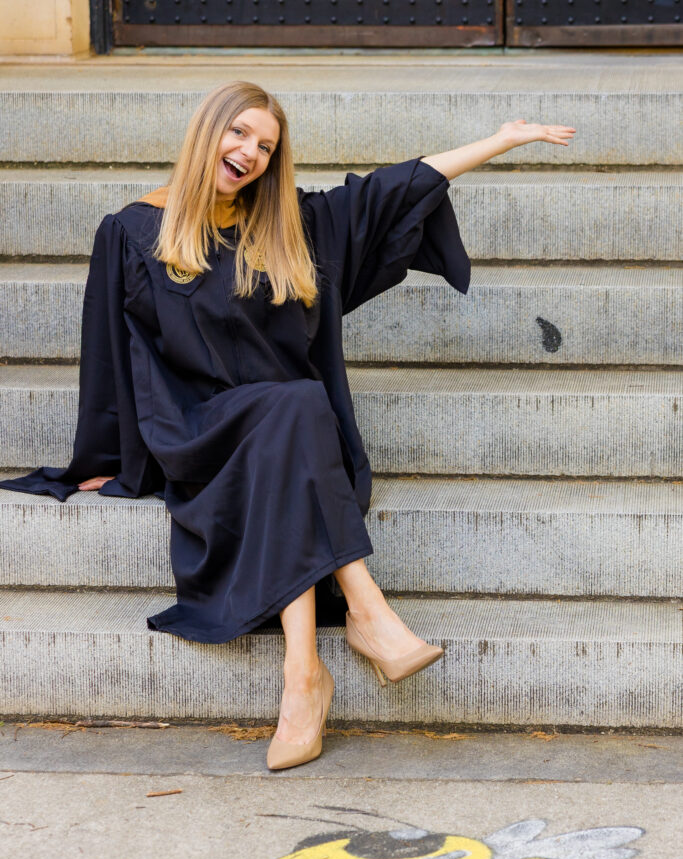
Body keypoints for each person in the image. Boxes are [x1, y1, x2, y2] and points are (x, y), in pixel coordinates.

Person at [0, 82, 574, 770]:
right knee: (295, 407)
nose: (249, 152)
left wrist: (500, 140)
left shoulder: (286, 225)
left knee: (294, 406)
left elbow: (391, 191)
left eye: (265, 146)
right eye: (238, 134)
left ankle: (303, 676)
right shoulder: (130, 231)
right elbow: (110, 355)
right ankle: (368, 614)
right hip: (201, 433)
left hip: (290, 434)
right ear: (205, 132)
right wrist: (107, 460)